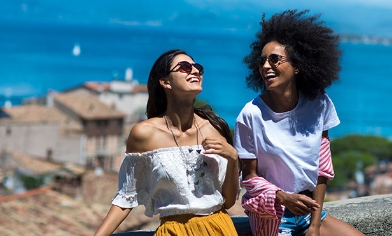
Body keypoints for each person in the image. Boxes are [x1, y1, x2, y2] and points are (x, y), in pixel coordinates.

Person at [234, 10, 365, 236]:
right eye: (262, 60)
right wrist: (282, 197)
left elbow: (322, 170)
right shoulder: (250, 114)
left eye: (274, 59)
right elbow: (249, 178)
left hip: (310, 213)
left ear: (297, 66)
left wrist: (314, 225)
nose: (266, 66)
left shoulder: (320, 104)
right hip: (272, 216)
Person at [95, 49, 240, 236]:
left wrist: (233, 159)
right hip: (174, 231)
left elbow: (227, 201)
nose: (195, 71)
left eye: (198, 68)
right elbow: (126, 197)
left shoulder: (215, 128)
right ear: (165, 82)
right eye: (185, 67)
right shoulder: (144, 134)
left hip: (219, 228)